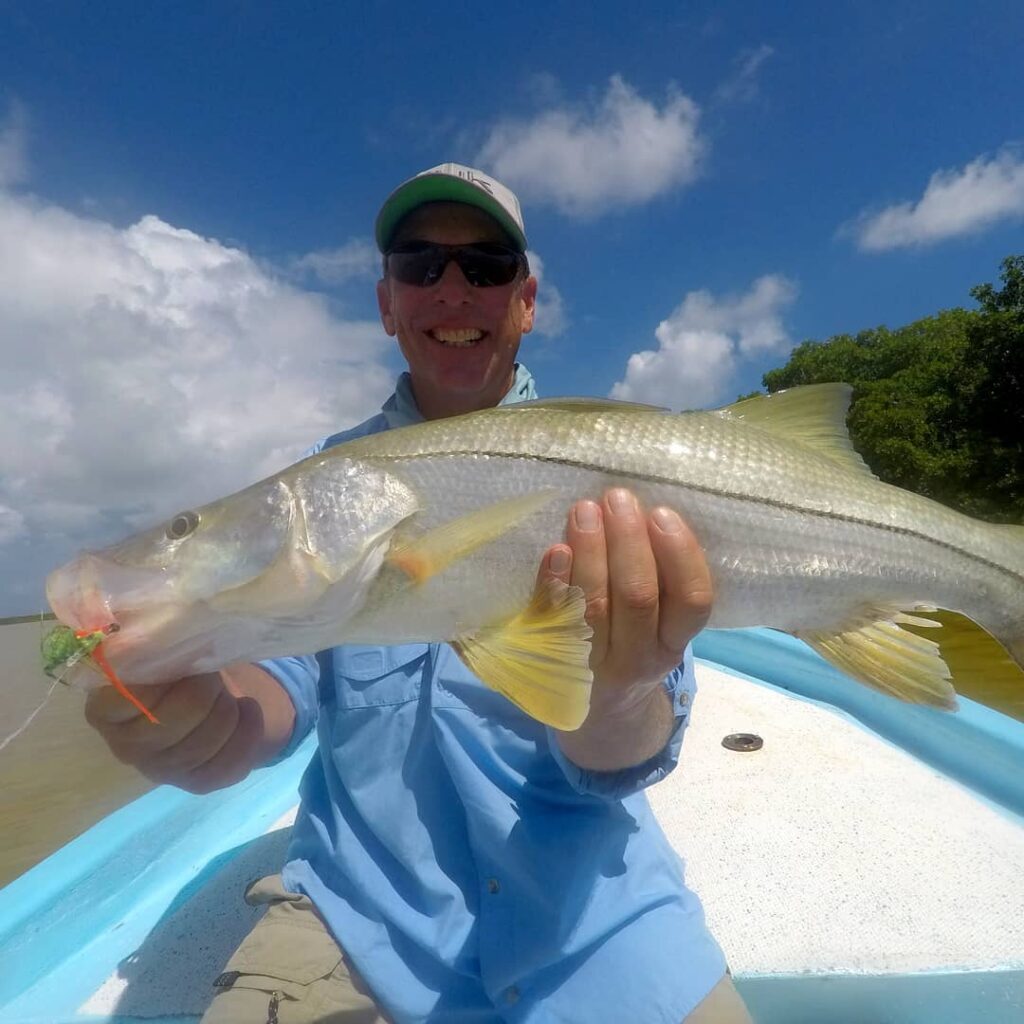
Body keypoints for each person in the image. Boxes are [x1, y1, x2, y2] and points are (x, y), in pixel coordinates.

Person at [86, 164, 753, 1024]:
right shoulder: (329, 487)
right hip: (353, 919)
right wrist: (215, 723)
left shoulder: (613, 467)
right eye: (419, 265)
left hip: (597, 921)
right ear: (387, 303)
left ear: (526, 300)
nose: (452, 287)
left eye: (485, 266)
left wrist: (620, 688)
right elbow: (273, 688)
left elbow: (623, 758)